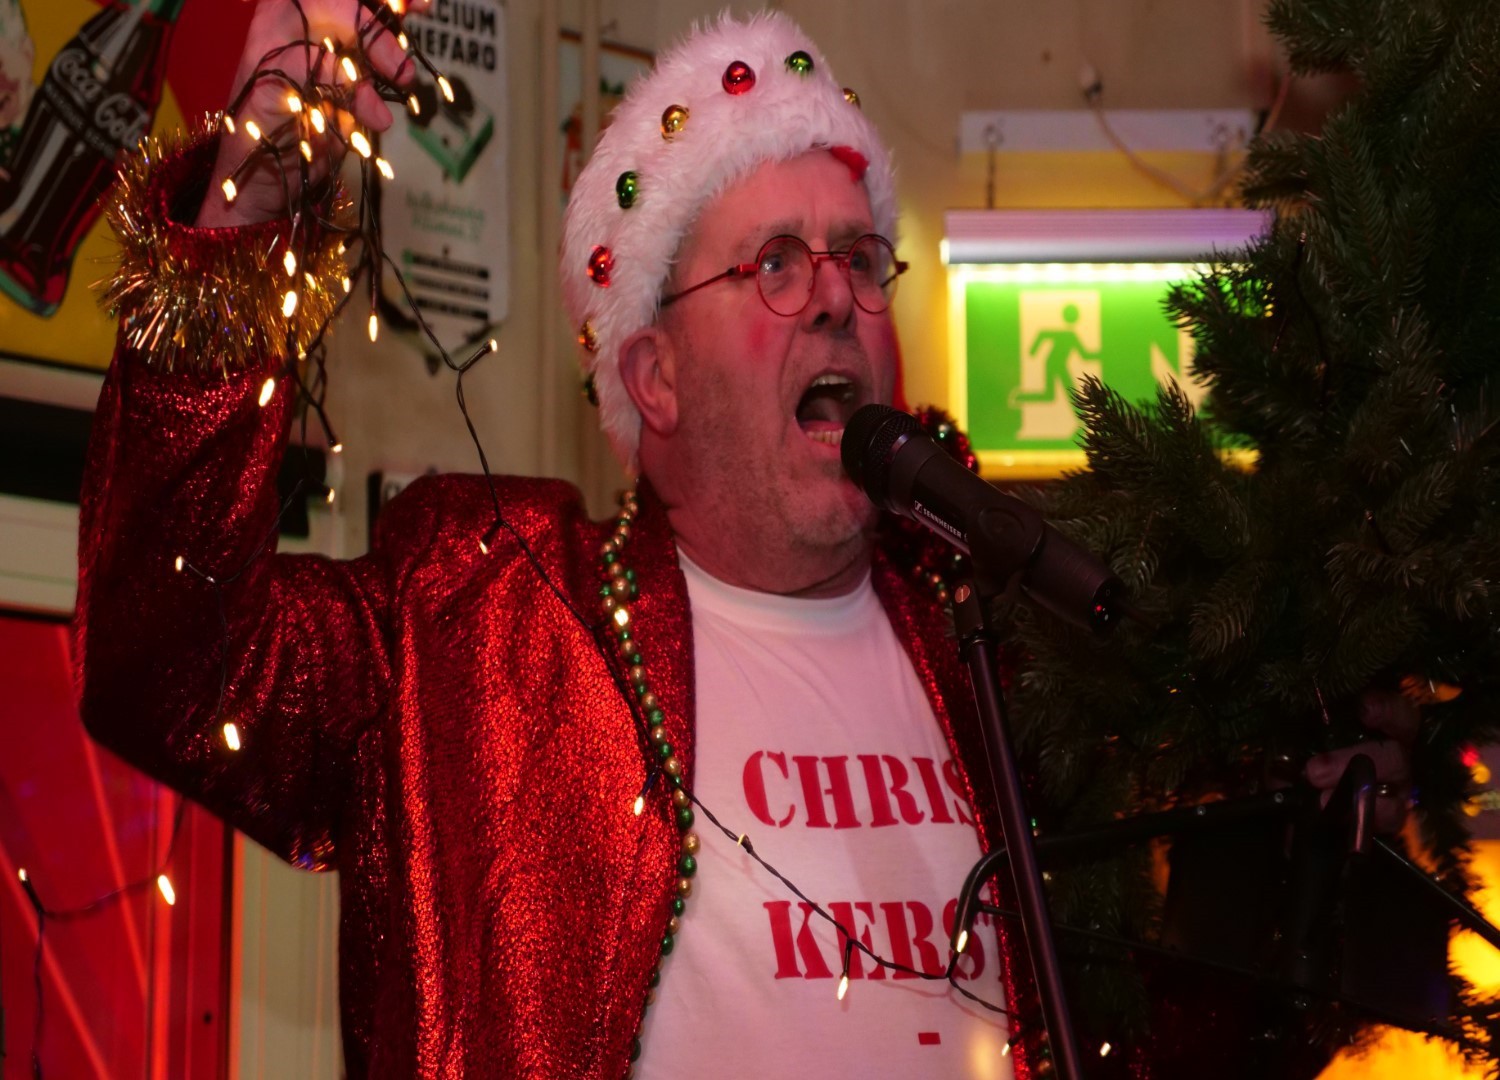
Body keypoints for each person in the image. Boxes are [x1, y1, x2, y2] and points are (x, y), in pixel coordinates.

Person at [76, 4, 1414, 1078]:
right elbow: (170, 665)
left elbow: (1177, 1032)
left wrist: (1324, 857)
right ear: (652, 377)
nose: (836, 297)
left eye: (861, 258)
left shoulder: (1008, 660)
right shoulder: (481, 615)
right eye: (775, 262)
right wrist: (239, 228)